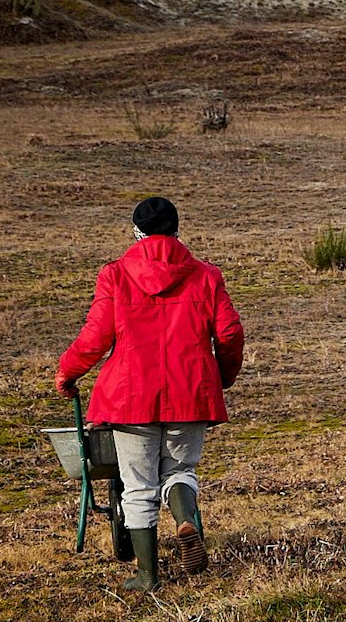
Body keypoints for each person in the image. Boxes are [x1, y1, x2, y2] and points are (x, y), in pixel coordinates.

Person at [57, 197, 244, 594]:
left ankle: (148, 575)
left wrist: (68, 373)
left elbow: (95, 338)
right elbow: (229, 334)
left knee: (137, 484)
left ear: (136, 232)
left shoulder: (115, 275)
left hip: (129, 397)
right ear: (177, 230)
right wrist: (221, 377)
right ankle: (185, 521)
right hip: (191, 392)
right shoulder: (207, 275)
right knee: (180, 470)